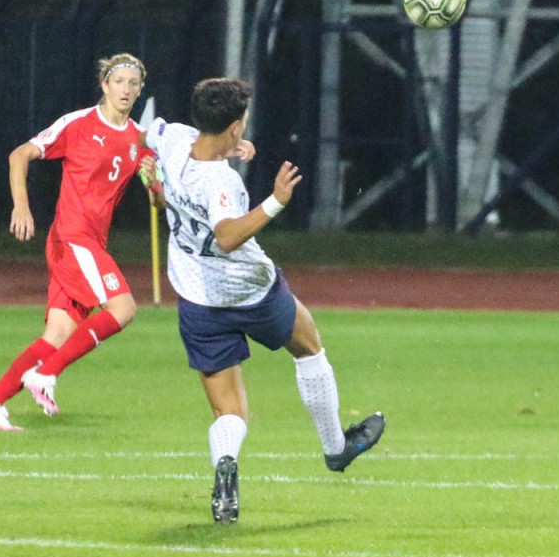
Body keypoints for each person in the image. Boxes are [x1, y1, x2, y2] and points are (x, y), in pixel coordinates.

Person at [146, 77, 384, 524]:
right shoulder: (220, 182)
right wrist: (276, 201)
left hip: (197, 297)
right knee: (308, 345)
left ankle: (225, 469)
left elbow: (144, 137)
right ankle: (336, 447)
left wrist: (154, 184)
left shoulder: (173, 139)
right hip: (249, 290)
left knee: (229, 409)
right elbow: (227, 236)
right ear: (234, 125)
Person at [0, 53, 164, 430]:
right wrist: (21, 206)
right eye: (118, 81)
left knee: (57, 335)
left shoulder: (139, 138)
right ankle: (45, 374)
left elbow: (158, 201)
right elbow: (19, 155)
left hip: (91, 243)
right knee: (123, 309)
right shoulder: (78, 123)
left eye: (133, 83)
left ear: (140, 90)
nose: (125, 89)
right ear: (104, 85)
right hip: (72, 238)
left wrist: (154, 183)